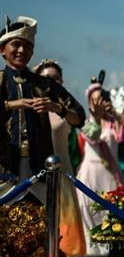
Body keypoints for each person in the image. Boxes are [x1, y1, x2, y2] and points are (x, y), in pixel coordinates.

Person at [0, 17, 85, 201]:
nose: (22, 50)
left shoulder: (44, 85)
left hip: (38, 171)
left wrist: (57, 108)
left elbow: (79, 117)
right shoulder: (0, 80)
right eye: (16, 44)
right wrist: (12, 104)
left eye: (28, 46)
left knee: (38, 227)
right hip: (4, 170)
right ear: (2, 50)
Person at [34, 59, 87, 257]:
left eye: (55, 78)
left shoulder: (65, 109)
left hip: (62, 170)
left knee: (64, 224)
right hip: (36, 174)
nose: (51, 82)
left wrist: (59, 108)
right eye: (46, 77)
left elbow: (80, 119)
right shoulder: (31, 106)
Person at [75, 77, 124, 255]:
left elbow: (122, 140)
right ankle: (93, 248)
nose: (99, 102)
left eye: (102, 98)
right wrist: (96, 117)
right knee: (89, 208)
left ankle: (111, 248)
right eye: (95, 99)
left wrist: (117, 116)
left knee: (110, 211)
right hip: (91, 171)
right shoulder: (85, 121)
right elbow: (94, 136)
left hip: (110, 172)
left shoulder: (113, 121)